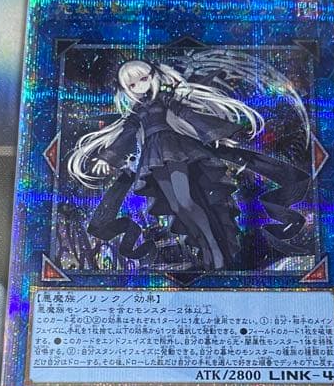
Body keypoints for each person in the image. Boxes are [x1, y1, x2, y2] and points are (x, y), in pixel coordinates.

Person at [67, 58, 310, 272]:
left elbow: (189, 116)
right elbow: (125, 135)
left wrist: (216, 134)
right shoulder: (136, 112)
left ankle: (215, 251)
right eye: (132, 85)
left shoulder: (165, 99)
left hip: (177, 149)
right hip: (153, 158)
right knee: (178, 207)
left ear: (154, 76)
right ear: (126, 90)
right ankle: (208, 250)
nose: (139, 86)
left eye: (143, 79)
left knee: (185, 201)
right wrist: (107, 157)